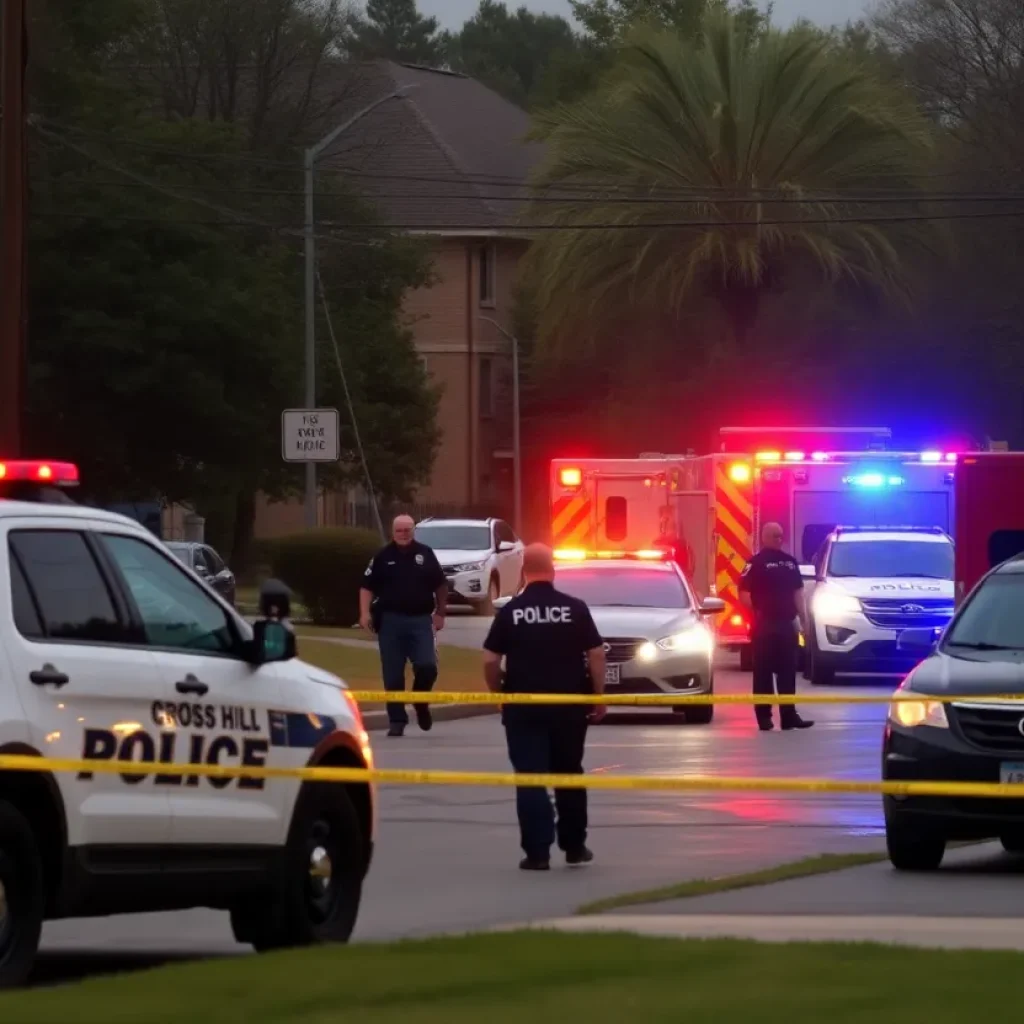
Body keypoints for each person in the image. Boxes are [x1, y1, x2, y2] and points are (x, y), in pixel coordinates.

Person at [482, 543, 607, 871]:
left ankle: (537, 853)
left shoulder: (511, 611)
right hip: (568, 706)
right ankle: (575, 846)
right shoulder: (575, 608)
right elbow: (596, 653)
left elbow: (490, 659)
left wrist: (499, 692)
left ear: (524, 571)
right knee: (569, 773)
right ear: (552, 570)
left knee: (530, 776)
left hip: (523, 708)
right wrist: (598, 695)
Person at [359, 515, 447, 738]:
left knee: (428, 666)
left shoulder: (425, 554)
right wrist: (363, 613)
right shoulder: (382, 556)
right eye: (399, 530)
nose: (404, 533)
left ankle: (420, 700)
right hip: (390, 622)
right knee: (393, 674)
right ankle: (397, 720)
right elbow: (366, 587)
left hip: (420, 620)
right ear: (393, 532)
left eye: (408, 529)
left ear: (414, 530)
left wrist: (441, 613)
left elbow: (440, 584)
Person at [738, 522, 814, 733]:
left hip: (786, 625)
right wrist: (758, 611)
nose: (778, 540)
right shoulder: (755, 563)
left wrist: (804, 621)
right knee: (762, 673)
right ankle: (764, 717)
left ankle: (789, 716)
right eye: (774, 536)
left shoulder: (790, 563)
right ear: (763, 537)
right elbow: (743, 594)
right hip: (764, 625)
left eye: (781, 536)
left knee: (788, 672)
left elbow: (798, 594)